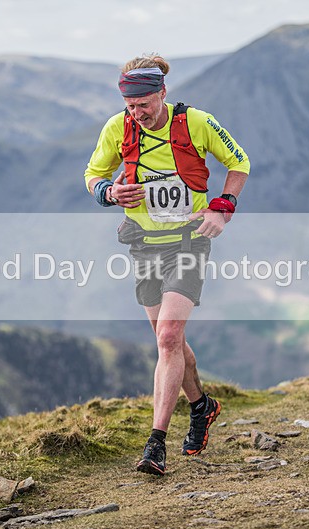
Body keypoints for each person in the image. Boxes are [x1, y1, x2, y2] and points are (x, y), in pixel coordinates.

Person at [84, 54, 249, 475]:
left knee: (169, 335)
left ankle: (155, 444)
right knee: (168, 340)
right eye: (130, 106)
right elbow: (93, 174)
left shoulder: (195, 122)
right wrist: (108, 193)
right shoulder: (117, 127)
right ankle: (202, 406)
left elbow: (238, 163)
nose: (137, 114)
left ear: (162, 92)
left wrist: (221, 208)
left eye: (144, 104)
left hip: (189, 240)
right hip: (143, 243)